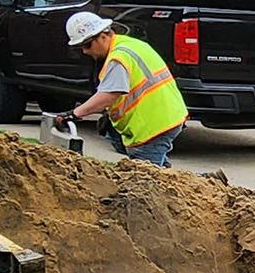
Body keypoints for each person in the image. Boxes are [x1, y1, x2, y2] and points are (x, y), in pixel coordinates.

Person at [56, 11, 189, 168]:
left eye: (87, 45)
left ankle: (208, 185)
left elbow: (108, 95)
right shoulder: (131, 44)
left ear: (103, 36)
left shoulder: (118, 58)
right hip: (166, 117)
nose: (85, 51)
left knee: (145, 181)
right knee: (163, 177)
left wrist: (74, 114)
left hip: (151, 127)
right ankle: (209, 182)